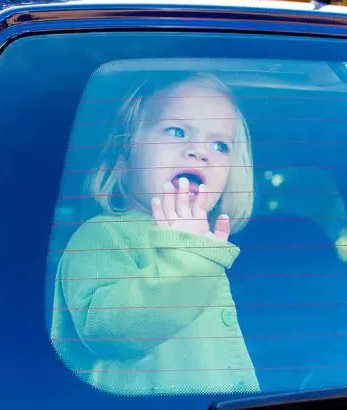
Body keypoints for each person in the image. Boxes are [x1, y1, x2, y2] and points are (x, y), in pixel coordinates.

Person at [50, 72, 260, 395]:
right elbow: (109, 333)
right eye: (177, 131)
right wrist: (190, 257)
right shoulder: (101, 236)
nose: (199, 152)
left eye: (220, 145)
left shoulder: (205, 243)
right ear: (126, 156)